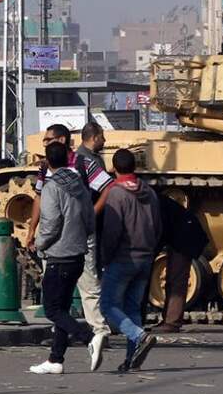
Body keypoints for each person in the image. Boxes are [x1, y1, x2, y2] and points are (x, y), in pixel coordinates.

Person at [26, 124, 112, 342]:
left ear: (62, 140)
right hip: (54, 240)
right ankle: (60, 337)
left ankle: (99, 332)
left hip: (77, 236)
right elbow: (38, 197)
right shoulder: (45, 168)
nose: (44, 143)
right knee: (57, 293)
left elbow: (108, 187)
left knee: (89, 285)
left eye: (48, 140)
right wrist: (31, 230)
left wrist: (90, 215)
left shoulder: (83, 163)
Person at [100, 148, 162, 371]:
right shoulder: (148, 191)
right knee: (133, 307)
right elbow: (157, 226)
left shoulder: (116, 193)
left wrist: (105, 257)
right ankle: (131, 358)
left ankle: (139, 336)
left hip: (122, 256)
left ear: (114, 168)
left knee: (108, 305)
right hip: (145, 256)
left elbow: (111, 231)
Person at [152, 195, 210, 333]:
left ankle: (172, 322)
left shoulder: (150, 207)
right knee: (175, 279)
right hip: (181, 230)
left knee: (176, 279)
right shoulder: (152, 201)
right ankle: (170, 320)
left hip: (185, 234)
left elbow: (156, 236)